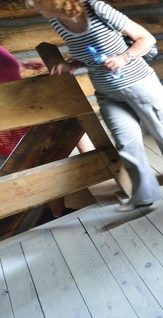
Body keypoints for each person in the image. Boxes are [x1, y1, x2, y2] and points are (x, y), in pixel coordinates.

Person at [5, 0, 163, 212]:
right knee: (126, 144)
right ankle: (144, 195)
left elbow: (146, 38)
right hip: (107, 92)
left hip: (140, 83)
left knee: (162, 131)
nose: (29, 3)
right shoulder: (57, 22)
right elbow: (87, 54)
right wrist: (71, 64)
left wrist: (122, 58)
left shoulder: (95, 8)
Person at [0, 45, 94, 218]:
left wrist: (23, 64)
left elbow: (5, 71)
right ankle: (57, 212)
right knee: (37, 159)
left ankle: (92, 170)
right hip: (9, 119)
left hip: (22, 109)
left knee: (65, 119)